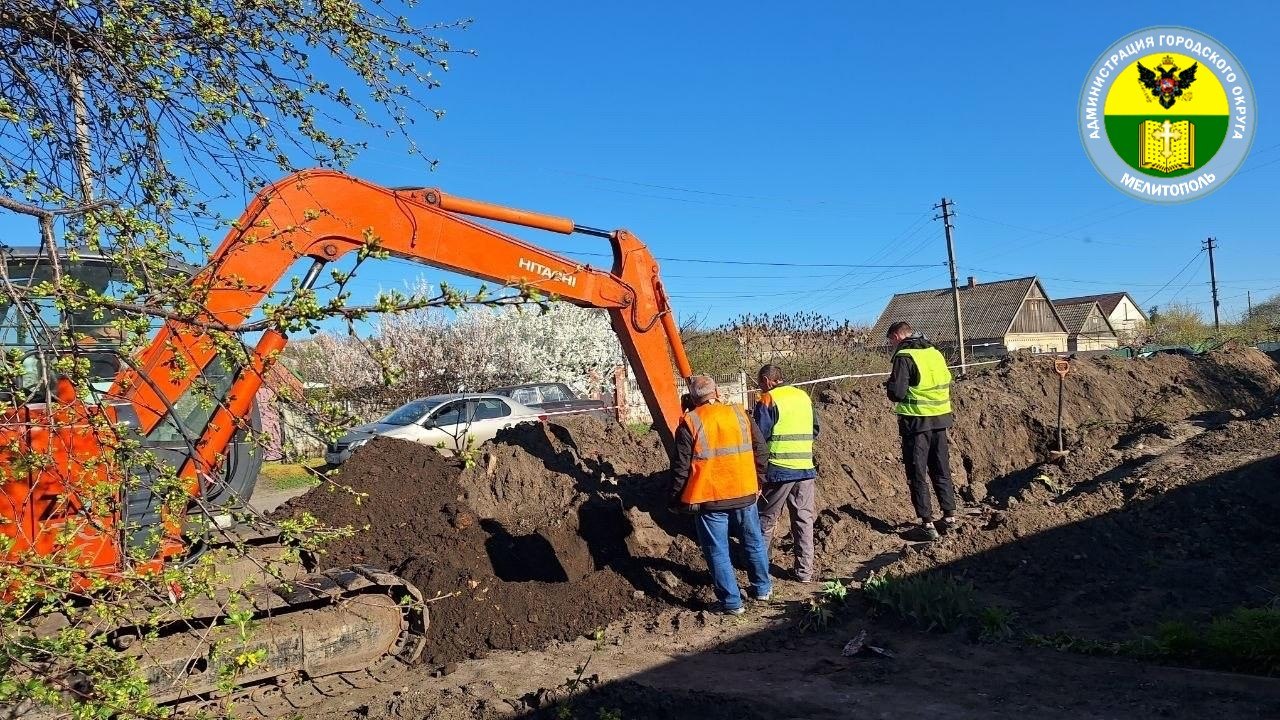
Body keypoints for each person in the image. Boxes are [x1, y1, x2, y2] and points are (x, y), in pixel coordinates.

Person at [669, 374, 772, 614]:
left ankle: (731, 603)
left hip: (711, 498)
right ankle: (763, 589)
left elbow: (680, 467)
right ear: (717, 393)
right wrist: (760, 482)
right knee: (754, 542)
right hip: (745, 492)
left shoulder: (690, 422)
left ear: (693, 399)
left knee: (718, 551)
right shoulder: (740, 414)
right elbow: (761, 451)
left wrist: (674, 498)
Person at [884, 321, 958, 541]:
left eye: (890, 341)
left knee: (917, 473)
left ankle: (927, 524)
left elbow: (897, 393)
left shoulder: (904, 356)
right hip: (940, 419)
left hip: (916, 423)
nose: (891, 345)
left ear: (897, 336)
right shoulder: (934, 352)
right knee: (941, 468)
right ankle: (950, 517)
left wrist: (889, 386)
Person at [752, 364, 818, 582]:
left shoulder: (768, 400)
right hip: (805, 468)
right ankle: (805, 572)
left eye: (761, 383)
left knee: (766, 519)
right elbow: (815, 429)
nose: (761, 388)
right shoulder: (803, 397)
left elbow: (759, 437)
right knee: (803, 519)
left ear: (767, 380)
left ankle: (760, 572)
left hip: (779, 469)